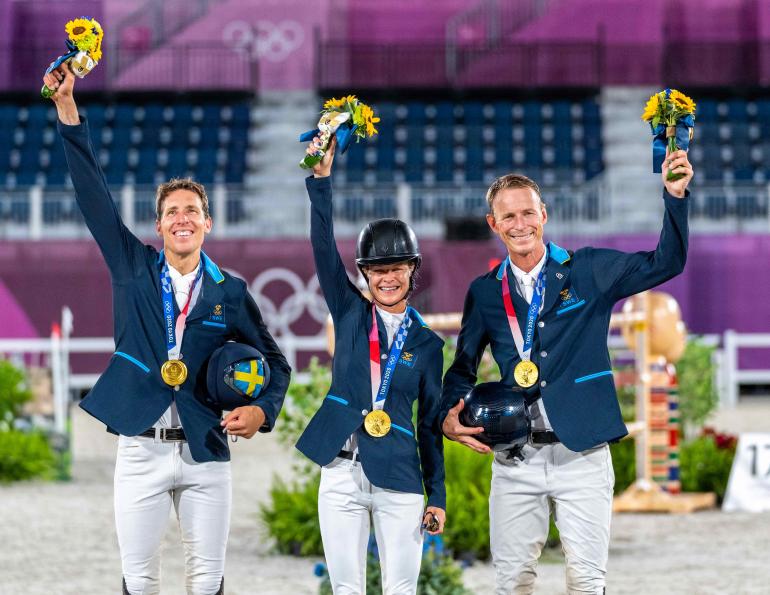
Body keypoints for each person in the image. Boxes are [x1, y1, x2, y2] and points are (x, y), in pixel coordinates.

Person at [44, 64, 291, 595]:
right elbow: (93, 197)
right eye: (172, 211)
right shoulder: (133, 268)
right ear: (158, 225)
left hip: (206, 448)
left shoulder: (232, 291)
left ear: (208, 223)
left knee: (207, 582)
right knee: (140, 580)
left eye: (193, 210)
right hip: (141, 447)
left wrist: (262, 410)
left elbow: (277, 364)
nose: (183, 217)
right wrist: (68, 112)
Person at [440, 149, 693, 594]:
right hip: (515, 458)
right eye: (508, 217)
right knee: (512, 583)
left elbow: (665, 263)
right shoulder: (483, 292)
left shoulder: (590, 269)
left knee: (586, 582)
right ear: (492, 225)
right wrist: (449, 414)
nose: (520, 225)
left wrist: (674, 196)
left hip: (584, 455)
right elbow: (463, 367)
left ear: (544, 214)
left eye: (528, 213)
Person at [295, 136, 446, 594]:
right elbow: (322, 247)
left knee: (400, 590)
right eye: (378, 269)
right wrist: (320, 181)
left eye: (398, 267)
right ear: (365, 274)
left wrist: (436, 494)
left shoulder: (427, 344)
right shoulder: (349, 313)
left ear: (413, 270)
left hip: (399, 472)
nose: (388, 276)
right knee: (347, 591)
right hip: (340, 472)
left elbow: (431, 425)